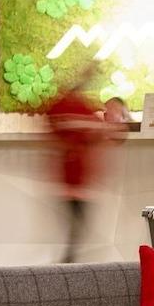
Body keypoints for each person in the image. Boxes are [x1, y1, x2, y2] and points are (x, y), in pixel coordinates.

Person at [43, 63, 126, 262]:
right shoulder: (75, 110)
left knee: (76, 230)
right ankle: (68, 266)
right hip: (74, 184)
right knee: (77, 230)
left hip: (76, 183)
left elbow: (107, 135)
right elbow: (108, 135)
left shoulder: (75, 110)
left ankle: (68, 265)